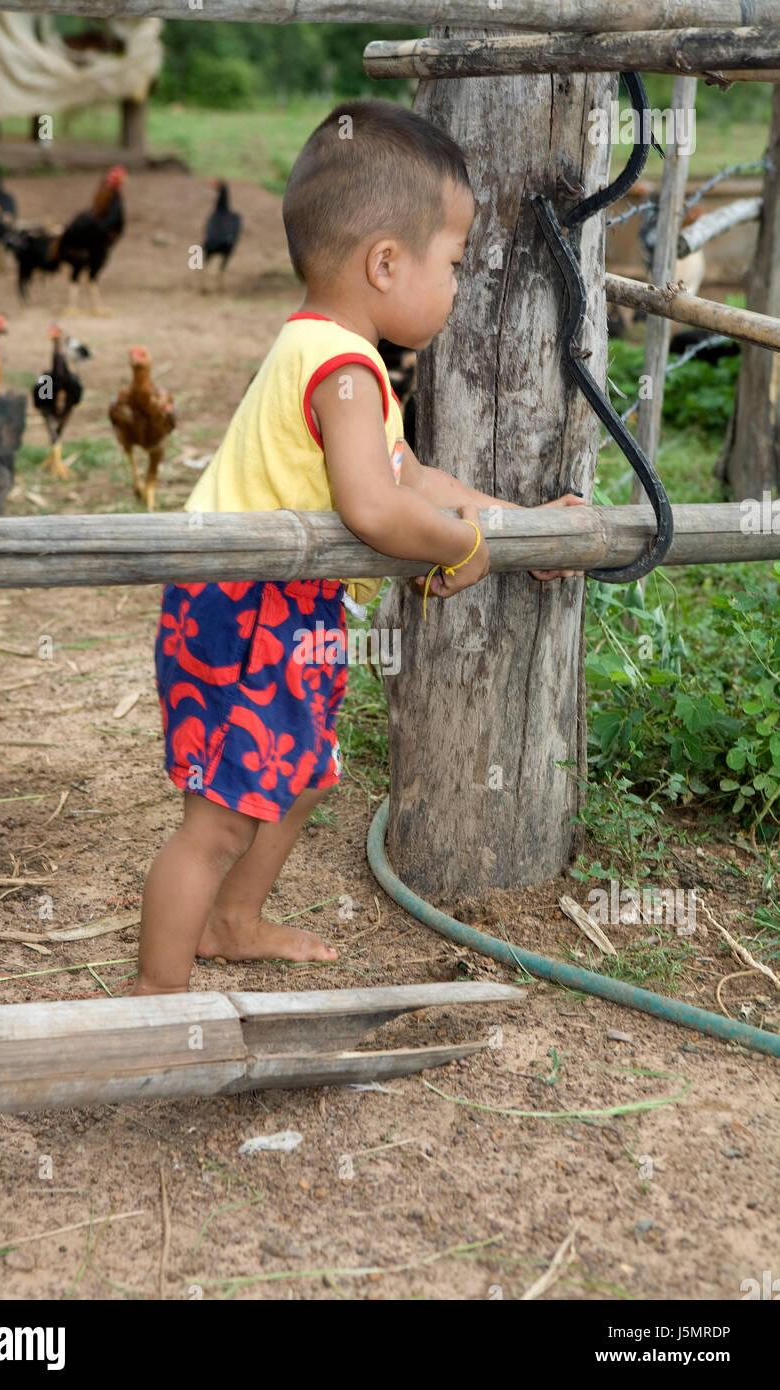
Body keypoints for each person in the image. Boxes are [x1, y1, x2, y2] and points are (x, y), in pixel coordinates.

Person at [133, 99, 583, 995]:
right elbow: (378, 510)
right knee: (216, 820)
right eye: (452, 264)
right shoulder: (340, 367)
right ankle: (156, 991)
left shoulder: (337, 356)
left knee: (299, 776)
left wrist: (521, 523)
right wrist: (461, 547)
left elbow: (413, 478)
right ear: (386, 263)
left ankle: (234, 921)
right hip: (240, 607)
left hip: (284, 606)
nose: (459, 287)